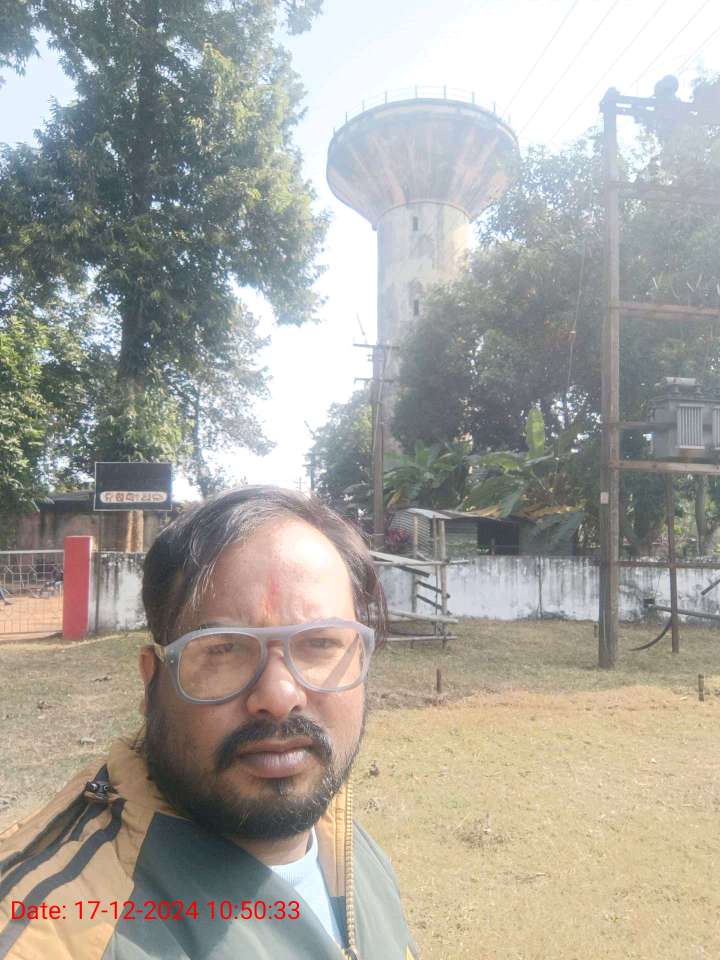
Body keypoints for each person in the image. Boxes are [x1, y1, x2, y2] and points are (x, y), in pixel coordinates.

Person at [0, 486, 418, 959]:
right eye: (223, 648)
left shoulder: (342, 835)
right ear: (152, 680)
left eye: (321, 642)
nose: (280, 697)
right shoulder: (48, 934)